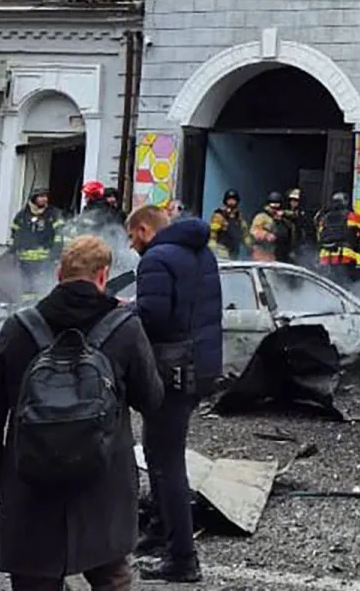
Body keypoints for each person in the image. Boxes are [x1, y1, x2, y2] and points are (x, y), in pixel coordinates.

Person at [0, 234, 164, 591]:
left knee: (34, 580)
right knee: (111, 578)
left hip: (31, 484)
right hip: (103, 483)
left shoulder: (19, 328)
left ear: (59, 274)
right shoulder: (124, 328)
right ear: (103, 276)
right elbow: (151, 400)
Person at [127, 204, 222, 584]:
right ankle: (159, 531)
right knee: (159, 453)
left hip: (172, 370)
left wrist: (123, 312)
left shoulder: (155, 259)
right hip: (200, 367)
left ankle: (182, 559)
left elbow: (153, 317)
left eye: (132, 236)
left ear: (145, 229)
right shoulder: (202, 253)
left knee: (166, 463)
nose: (131, 244)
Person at [10, 189, 64, 304]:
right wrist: (14, 251)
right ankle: (27, 306)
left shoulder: (53, 214)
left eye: (46, 196)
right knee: (27, 287)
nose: (44, 199)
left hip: (45, 259)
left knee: (42, 285)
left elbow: (60, 234)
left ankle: (42, 306)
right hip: (25, 260)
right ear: (34, 198)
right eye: (41, 196)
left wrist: (56, 253)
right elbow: (15, 233)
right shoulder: (22, 215)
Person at [316, 192, 360, 274]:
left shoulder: (324, 219)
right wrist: (358, 242)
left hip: (325, 257)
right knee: (345, 281)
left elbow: (319, 237)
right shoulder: (352, 216)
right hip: (345, 256)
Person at [244, 192, 284, 261]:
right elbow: (253, 231)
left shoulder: (280, 220)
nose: (275, 210)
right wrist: (266, 235)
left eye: (277, 207)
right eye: (273, 207)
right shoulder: (262, 216)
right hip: (260, 251)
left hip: (271, 252)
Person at [208, 189, 245, 259]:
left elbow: (244, 233)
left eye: (233, 200)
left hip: (234, 250)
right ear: (225, 201)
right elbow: (212, 233)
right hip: (222, 249)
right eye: (229, 199)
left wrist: (252, 247)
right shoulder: (219, 216)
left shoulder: (238, 217)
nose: (231, 202)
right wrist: (213, 247)